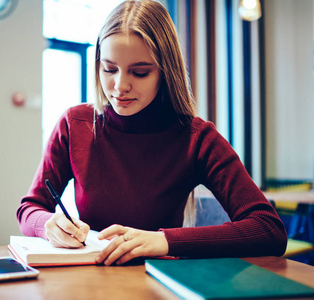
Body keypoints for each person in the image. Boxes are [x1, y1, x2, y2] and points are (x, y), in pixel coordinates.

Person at [17, 0, 287, 266]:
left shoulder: (197, 138)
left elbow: (269, 229)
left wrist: (164, 241)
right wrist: (48, 225)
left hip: (162, 283)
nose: (120, 86)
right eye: (109, 69)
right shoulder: (75, 124)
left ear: (166, 72)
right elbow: (29, 209)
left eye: (140, 72)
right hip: (91, 279)